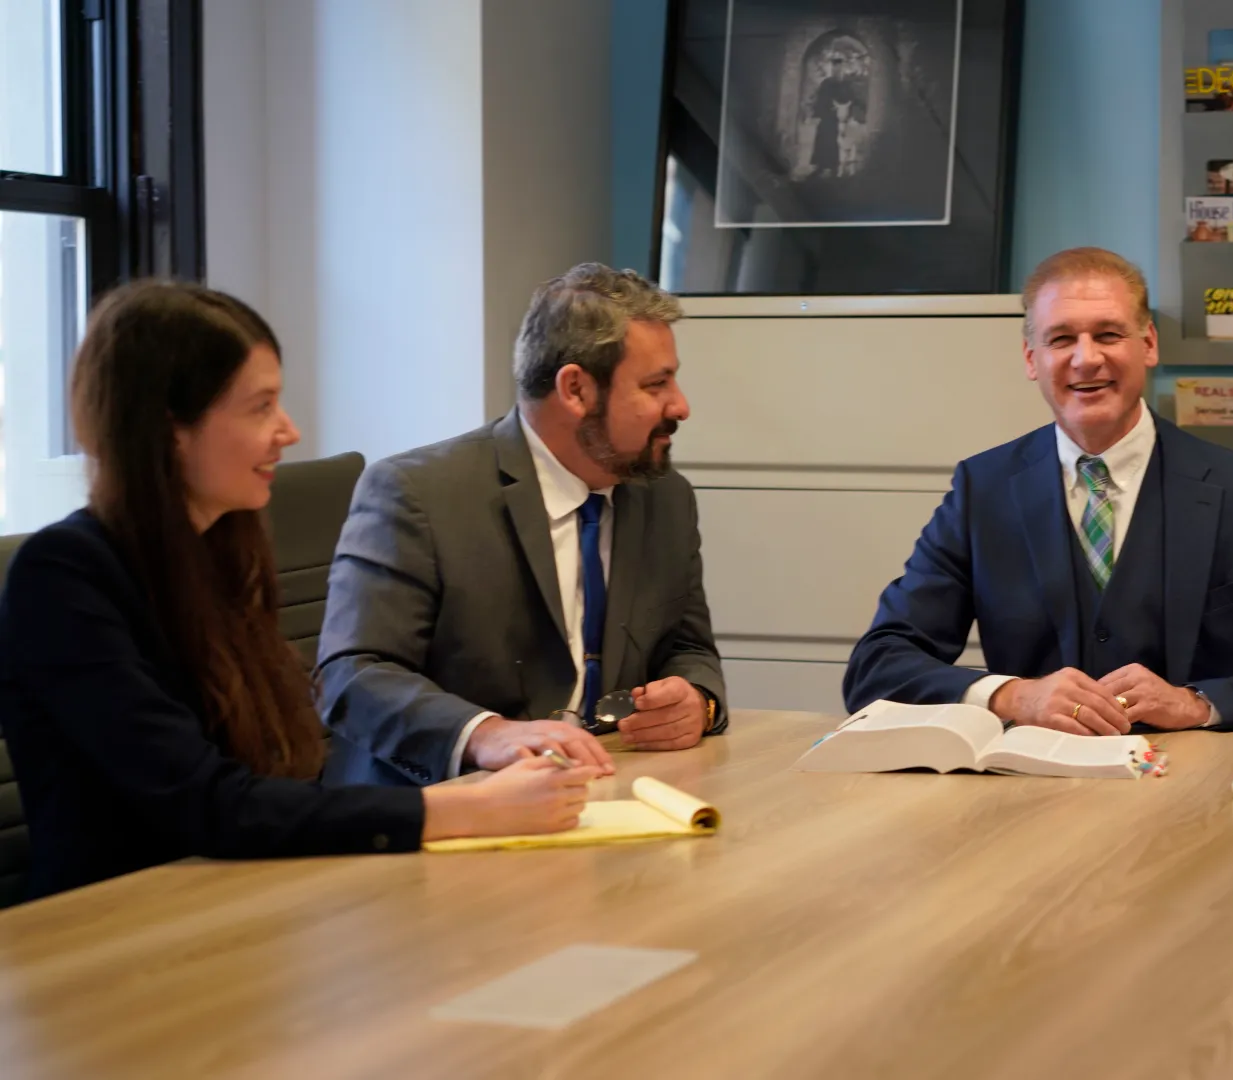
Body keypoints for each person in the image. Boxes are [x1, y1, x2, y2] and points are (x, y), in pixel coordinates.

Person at [0, 282, 600, 900]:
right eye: (259, 407)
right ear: (170, 428)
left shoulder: (220, 555)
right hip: (116, 926)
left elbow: (278, 774)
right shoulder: (63, 577)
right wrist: (465, 811)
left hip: (244, 898)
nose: (288, 431)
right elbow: (205, 804)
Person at [843, 247, 1233, 733]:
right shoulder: (984, 491)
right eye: (1062, 338)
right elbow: (878, 667)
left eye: (1109, 335)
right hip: (1035, 794)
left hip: (1202, 796)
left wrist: (1198, 703)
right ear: (1032, 359)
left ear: (1149, 345)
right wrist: (1010, 696)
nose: (1086, 359)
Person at [317, 264, 727, 787]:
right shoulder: (417, 494)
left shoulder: (664, 498)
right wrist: (486, 734)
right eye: (656, 384)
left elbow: (688, 648)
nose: (681, 406)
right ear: (576, 390)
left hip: (606, 793)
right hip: (439, 811)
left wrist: (697, 700)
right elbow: (351, 676)